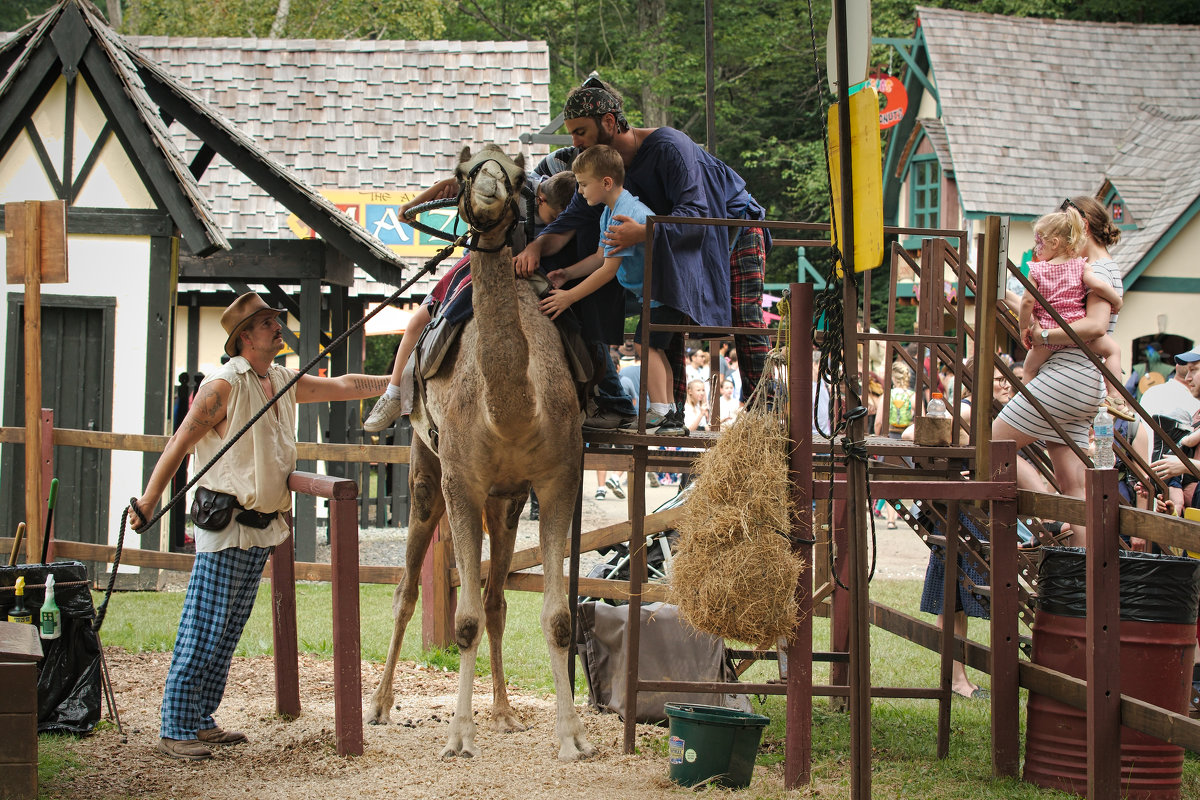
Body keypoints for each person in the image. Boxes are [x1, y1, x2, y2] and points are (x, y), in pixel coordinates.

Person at [128, 293, 388, 761]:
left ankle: (199, 719)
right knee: (204, 626)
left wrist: (399, 381)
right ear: (244, 337)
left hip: (261, 525)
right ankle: (175, 725)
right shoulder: (224, 383)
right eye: (268, 322)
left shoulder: (281, 379)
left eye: (277, 319)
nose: (278, 327)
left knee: (228, 629)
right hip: (226, 524)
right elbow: (181, 441)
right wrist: (149, 500)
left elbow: (347, 385)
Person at [514, 77, 770, 407]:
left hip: (733, 228)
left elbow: (697, 215)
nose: (574, 141)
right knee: (666, 322)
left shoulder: (669, 146)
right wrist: (537, 246)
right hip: (672, 242)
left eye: (580, 131)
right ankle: (671, 416)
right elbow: (566, 225)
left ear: (608, 122)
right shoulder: (602, 173)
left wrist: (642, 233)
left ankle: (766, 411)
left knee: (743, 317)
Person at [363, 171, 579, 432]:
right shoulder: (506, 187)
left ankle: (591, 393)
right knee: (418, 321)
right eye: (553, 218)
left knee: (573, 324)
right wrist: (410, 207)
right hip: (480, 263)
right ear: (541, 199)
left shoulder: (569, 205)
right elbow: (451, 184)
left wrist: (537, 251)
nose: (555, 223)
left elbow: (558, 238)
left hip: (532, 269)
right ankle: (394, 393)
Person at [993, 195, 1126, 548]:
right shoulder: (1086, 267)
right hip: (1079, 383)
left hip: (1067, 377)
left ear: (1083, 226)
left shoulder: (1095, 269)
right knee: (1074, 486)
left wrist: (1044, 336)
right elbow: (1045, 304)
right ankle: (1083, 570)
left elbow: (1095, 326)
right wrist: (1004, 296)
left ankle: (1043, 525)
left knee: (991, 445)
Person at [539, 144, 688, 436]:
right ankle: (668, 412)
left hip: (663, 289)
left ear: (606, 183)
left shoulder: (623, 215)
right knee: (653, 346)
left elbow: (607, 271)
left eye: (583, 185)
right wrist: (567, 274)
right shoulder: (611, 210)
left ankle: (660, 412)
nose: (579, 192)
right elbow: (599, 257)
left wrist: (569, 295)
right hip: (658, 290)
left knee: (649, 346)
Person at [1018, 209, 1131, 420]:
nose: (1036, 248)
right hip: (1077, 331)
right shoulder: (1082, 266)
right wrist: (1117, 301)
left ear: (1054, 243)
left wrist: (1023, 327)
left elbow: (1027, 301)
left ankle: (1026, 403)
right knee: (1113, 350)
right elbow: (1099, 286)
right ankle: (1115, 395)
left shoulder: (1037, 270)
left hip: (1049, 332)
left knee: (1029, 368)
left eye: (1039, 242)